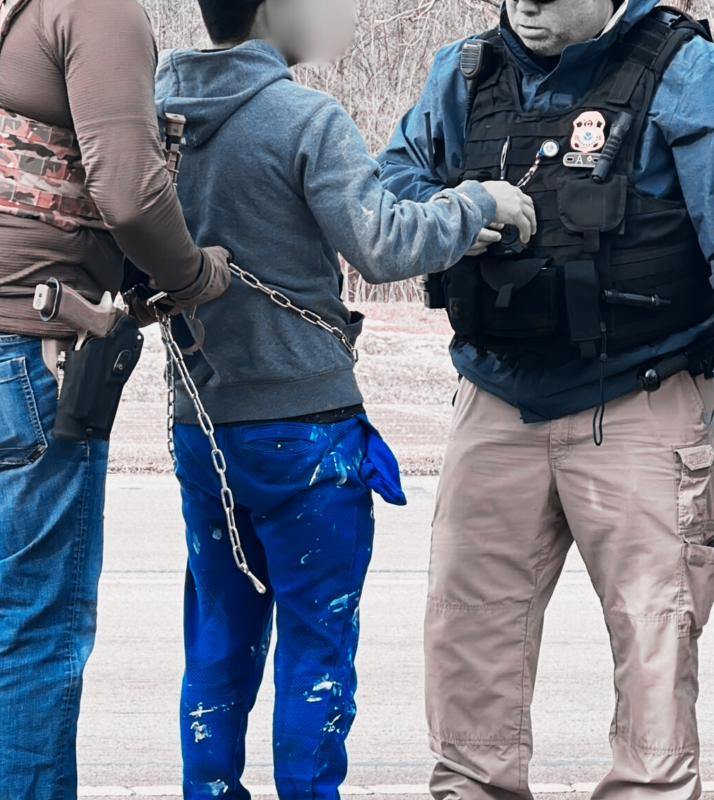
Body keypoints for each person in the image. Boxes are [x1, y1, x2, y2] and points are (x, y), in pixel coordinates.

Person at [152, 0, 535, 797]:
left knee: (218, 641)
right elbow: (384, 243)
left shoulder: (156, 113)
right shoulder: (304, 116)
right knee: (316, 652)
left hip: (202, 426)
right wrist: (478, 204)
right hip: (308, 433)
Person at [378, 0, 714, 797]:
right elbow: (393, 181)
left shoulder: (687, 69)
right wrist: (465, 208)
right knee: (468, 634)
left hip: (643, 395)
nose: (523, 1)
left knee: (654, 641)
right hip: (495, 397)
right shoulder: (466, 69)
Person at [0, 0, 231, 797]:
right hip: (26, 342)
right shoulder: (95, 10)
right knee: (36, 622)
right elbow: (129, 192)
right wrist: (195, 277)